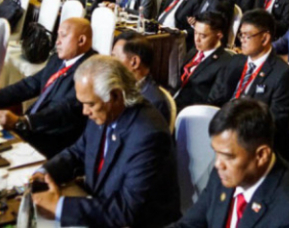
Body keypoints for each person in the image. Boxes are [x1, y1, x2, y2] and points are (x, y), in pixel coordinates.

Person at [32, 56, 181, 227]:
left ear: (115, 96)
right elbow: (79, 151)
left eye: (90, 104)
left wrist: (59, 207)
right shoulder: (105, 111)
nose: (84, 111)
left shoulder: (148, 136)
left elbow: (126, 209)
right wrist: (45, 173)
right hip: (99, 208)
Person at [168, 99, 289, 228]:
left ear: (261, 155)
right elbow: (190, 224)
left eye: (228, 156)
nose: (218, 164)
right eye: (216, 152)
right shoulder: (223, 172)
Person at [0, 17, 95, 157]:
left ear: (81, 40)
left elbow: (63, 110)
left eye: (63, 35)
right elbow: (30, 84)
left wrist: (23, 122)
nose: (57, 41)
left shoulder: (90, 70)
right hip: (32, 127)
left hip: (52, 138)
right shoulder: (58, 59)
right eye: (57, 35)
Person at [207, 10, 289, 153]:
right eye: (241, 35)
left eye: (247, 36)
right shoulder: (235, 61)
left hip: (249, 142)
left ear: (265, 38)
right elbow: (214, 97)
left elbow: (275, 123)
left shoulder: (283, 74)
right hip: (220, 128)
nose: (242, 40)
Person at [173, 13, 234, 111]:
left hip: (192, 111)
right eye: (195, 33)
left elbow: (213, 101)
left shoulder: (225, 64)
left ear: (219, 36)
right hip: (175, 100)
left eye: (203, 36)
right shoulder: (195, 50)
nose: (197, 39)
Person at [112, 35, 173, 124]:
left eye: (115, 58)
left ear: (134, 62)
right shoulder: (117, 88)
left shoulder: (153, 102)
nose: (110, 63)